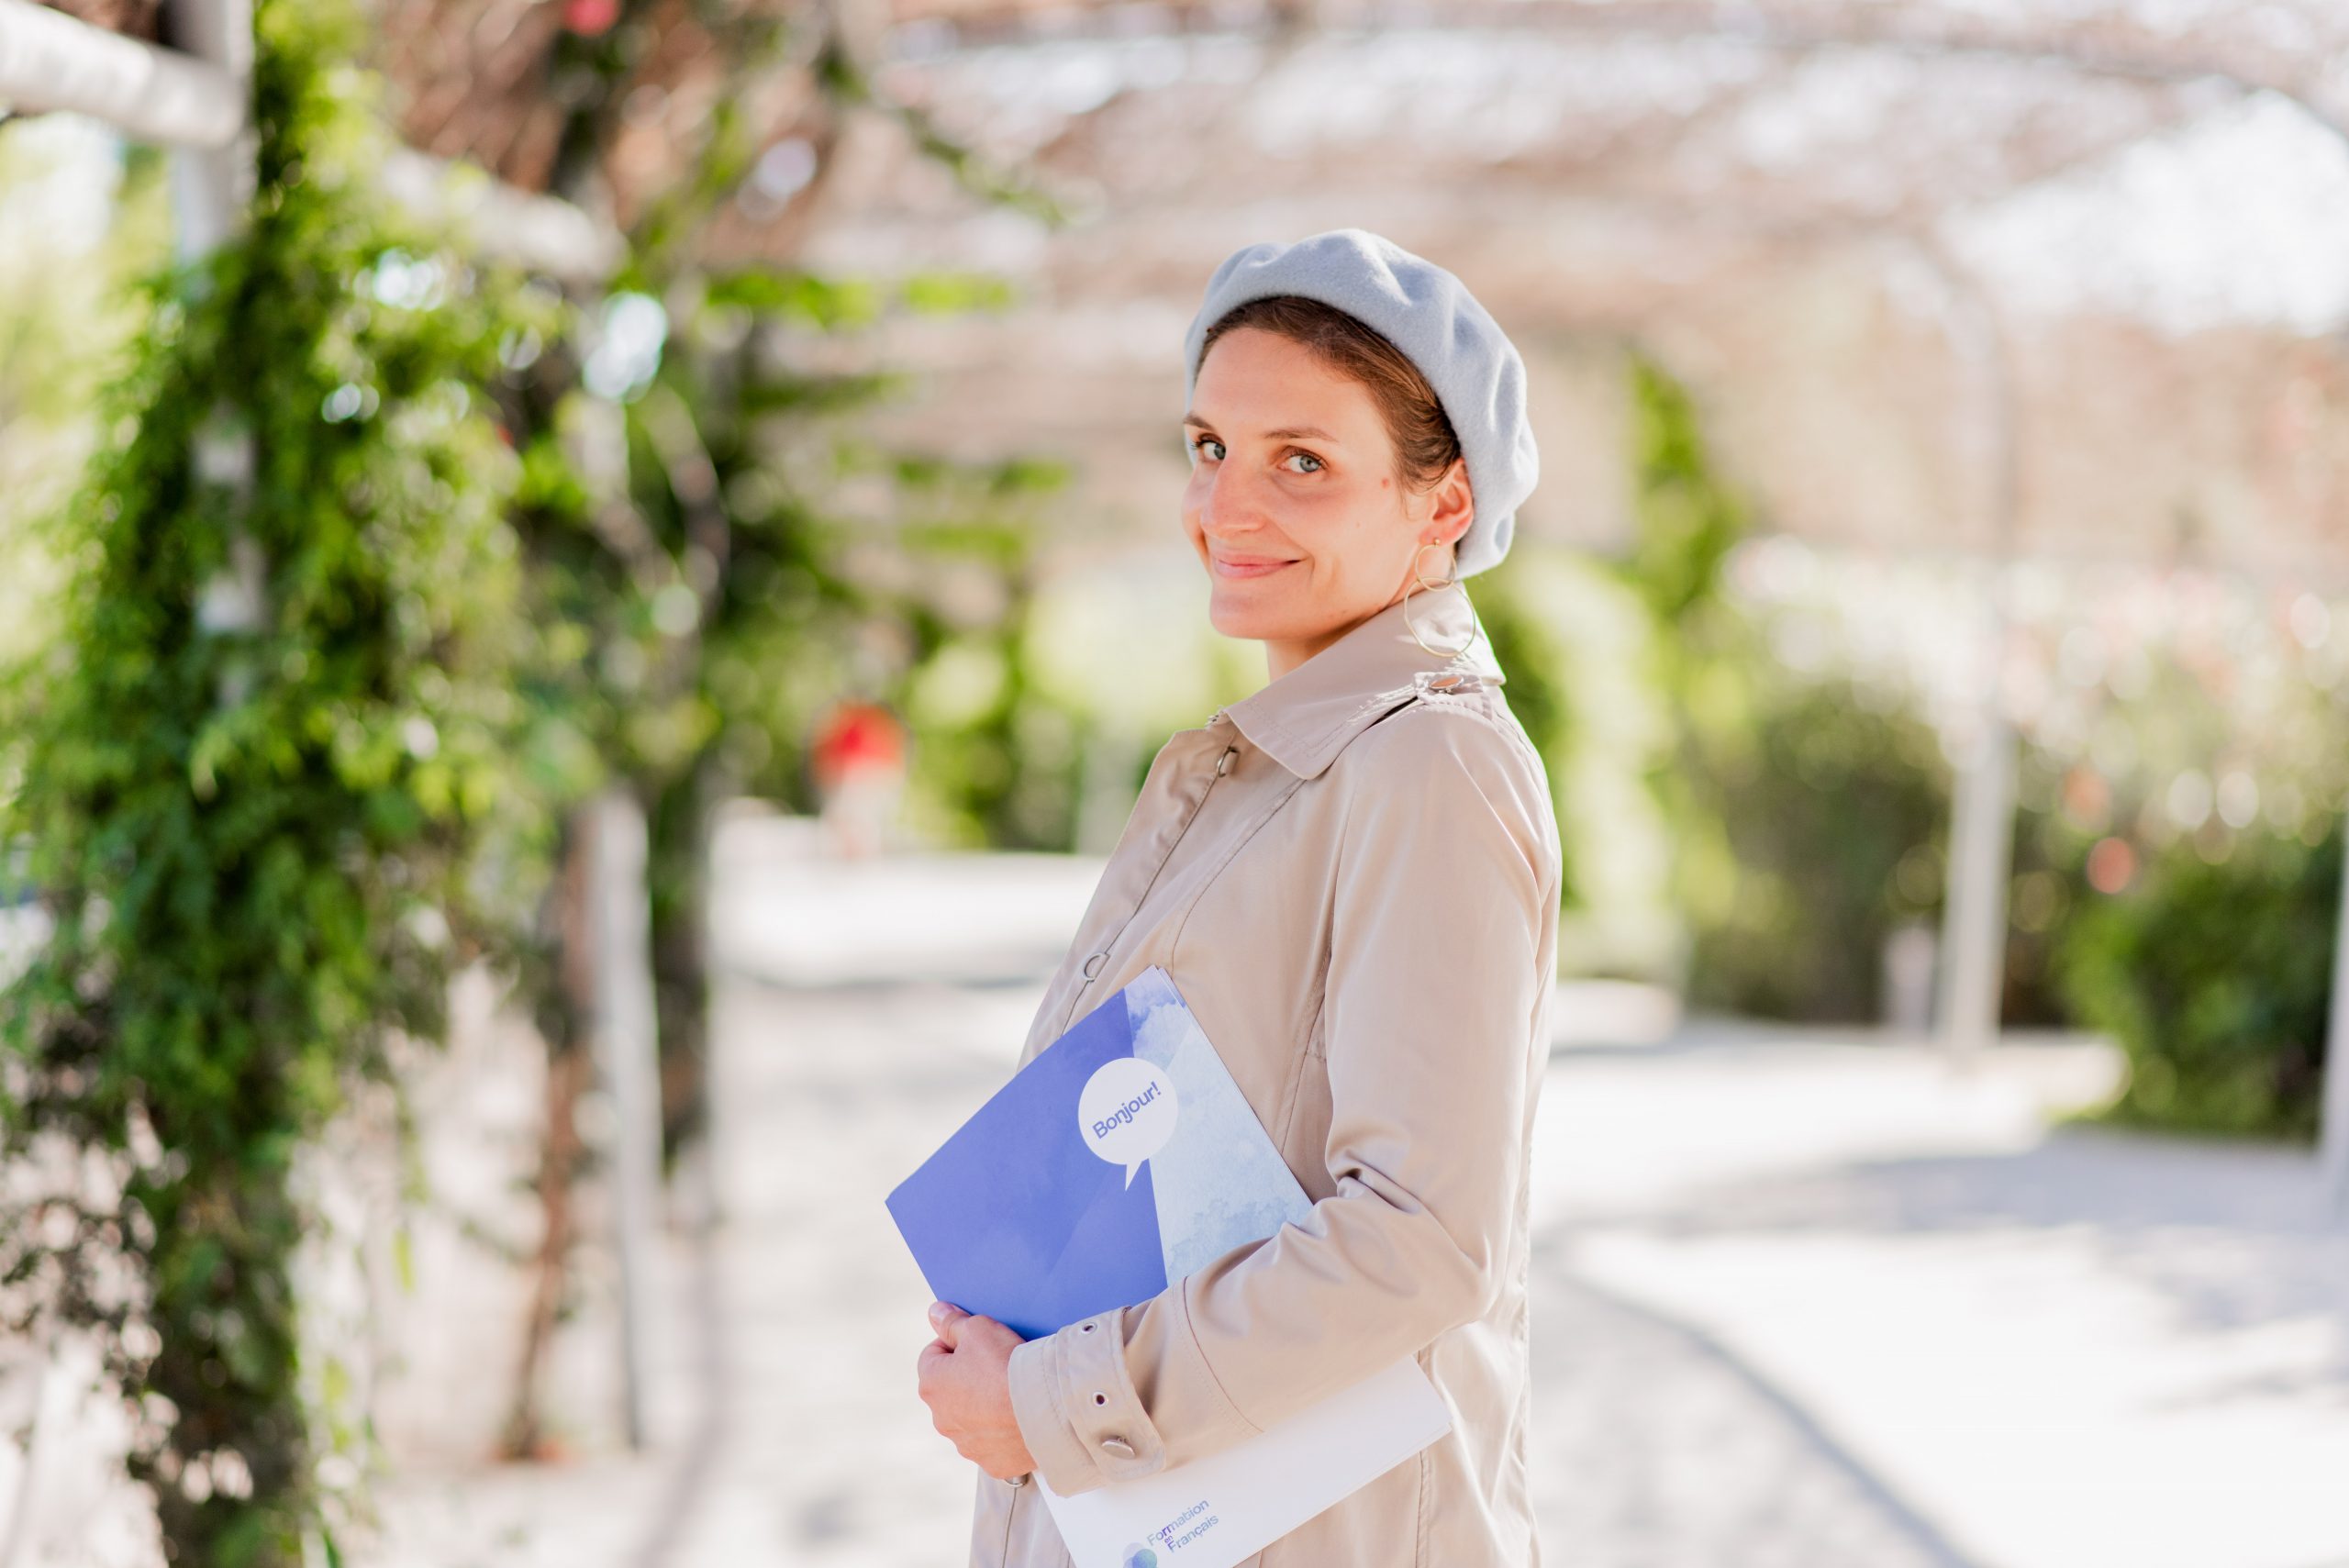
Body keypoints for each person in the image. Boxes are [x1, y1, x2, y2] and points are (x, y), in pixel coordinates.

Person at [914, 228, 1561, 1568]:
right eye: (1211, 447)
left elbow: (1424, 1239)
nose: (1229, 506)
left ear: (1446, 501)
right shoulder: (1287, 756)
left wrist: (1051, 1400)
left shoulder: (1429, 762)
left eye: (1303, 463)